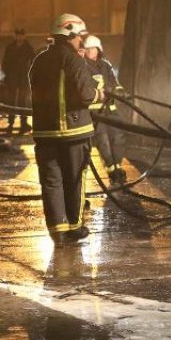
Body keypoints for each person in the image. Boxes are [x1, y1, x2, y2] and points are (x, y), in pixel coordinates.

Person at [29, 13, 102, 244]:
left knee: (51, 182)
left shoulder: (39, 60)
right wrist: (99, 92)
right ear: (69, 35)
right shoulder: (73, 59)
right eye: (79, 36)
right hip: (74, 133)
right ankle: (74, 226)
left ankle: (58, 232)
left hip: (45, 133)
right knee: (74, 179)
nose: (81, 40)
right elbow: (86, 94)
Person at [83, 35, 127, 185]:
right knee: (103, 141)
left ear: (98, 49)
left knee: (118, 137)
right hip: (96, 112)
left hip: (110, 109)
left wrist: (120, 92)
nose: (90, 51)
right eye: (88, 49)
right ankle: (111, 169)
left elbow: (115, 83)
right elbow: (87, 89)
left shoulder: (105, 65)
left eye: (93, 49)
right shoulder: (83, 67)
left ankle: (118, 167)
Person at [1, 27, 35, 135]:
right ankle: (10, 124)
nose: (19, 37)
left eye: (21, 35)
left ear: (24, 36)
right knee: (11, 102)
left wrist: (29, 75)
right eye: (18, 35)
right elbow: (4, 63)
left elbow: (33, 62)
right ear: (15, 36)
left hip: (23, 80)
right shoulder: (10, 48)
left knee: (22, 103)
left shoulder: (28, 48)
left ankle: (23, 125)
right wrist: (8, 74)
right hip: (12, 79)